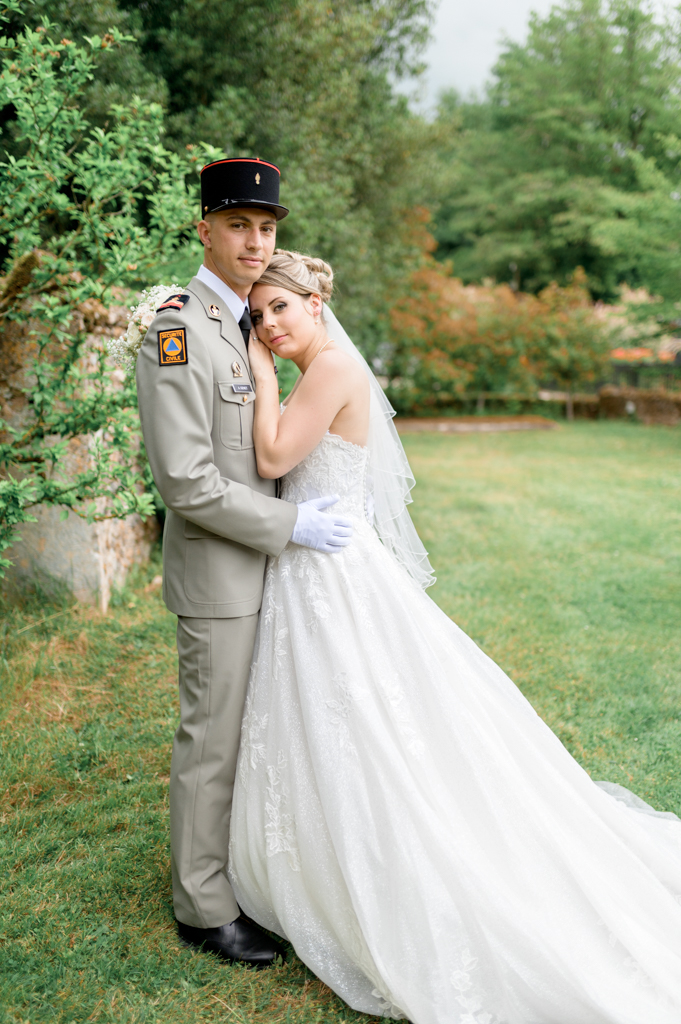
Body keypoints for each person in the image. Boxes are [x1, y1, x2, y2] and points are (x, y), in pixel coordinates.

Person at [229, 248, 681, 1023]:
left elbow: (273, 454)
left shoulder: (328, 369)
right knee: (328, 719)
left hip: (334, 579)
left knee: (370, 725)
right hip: (313, 571)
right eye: (258, 314)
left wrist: (259, 378)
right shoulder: (322, 369)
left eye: (280, 309)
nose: (268, 325)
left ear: (314, 305)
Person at [135, 160, 354, 969]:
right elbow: (186, 482)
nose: (255, 240)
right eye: (237, 224)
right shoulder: (176, 327)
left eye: (266, 227)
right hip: (223, 579)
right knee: (214, 740)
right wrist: (291, 524)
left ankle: (254, 874)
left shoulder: (250, 322)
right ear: (203, 229)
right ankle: (201, 906)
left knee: (266, 732)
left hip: (278, 574)